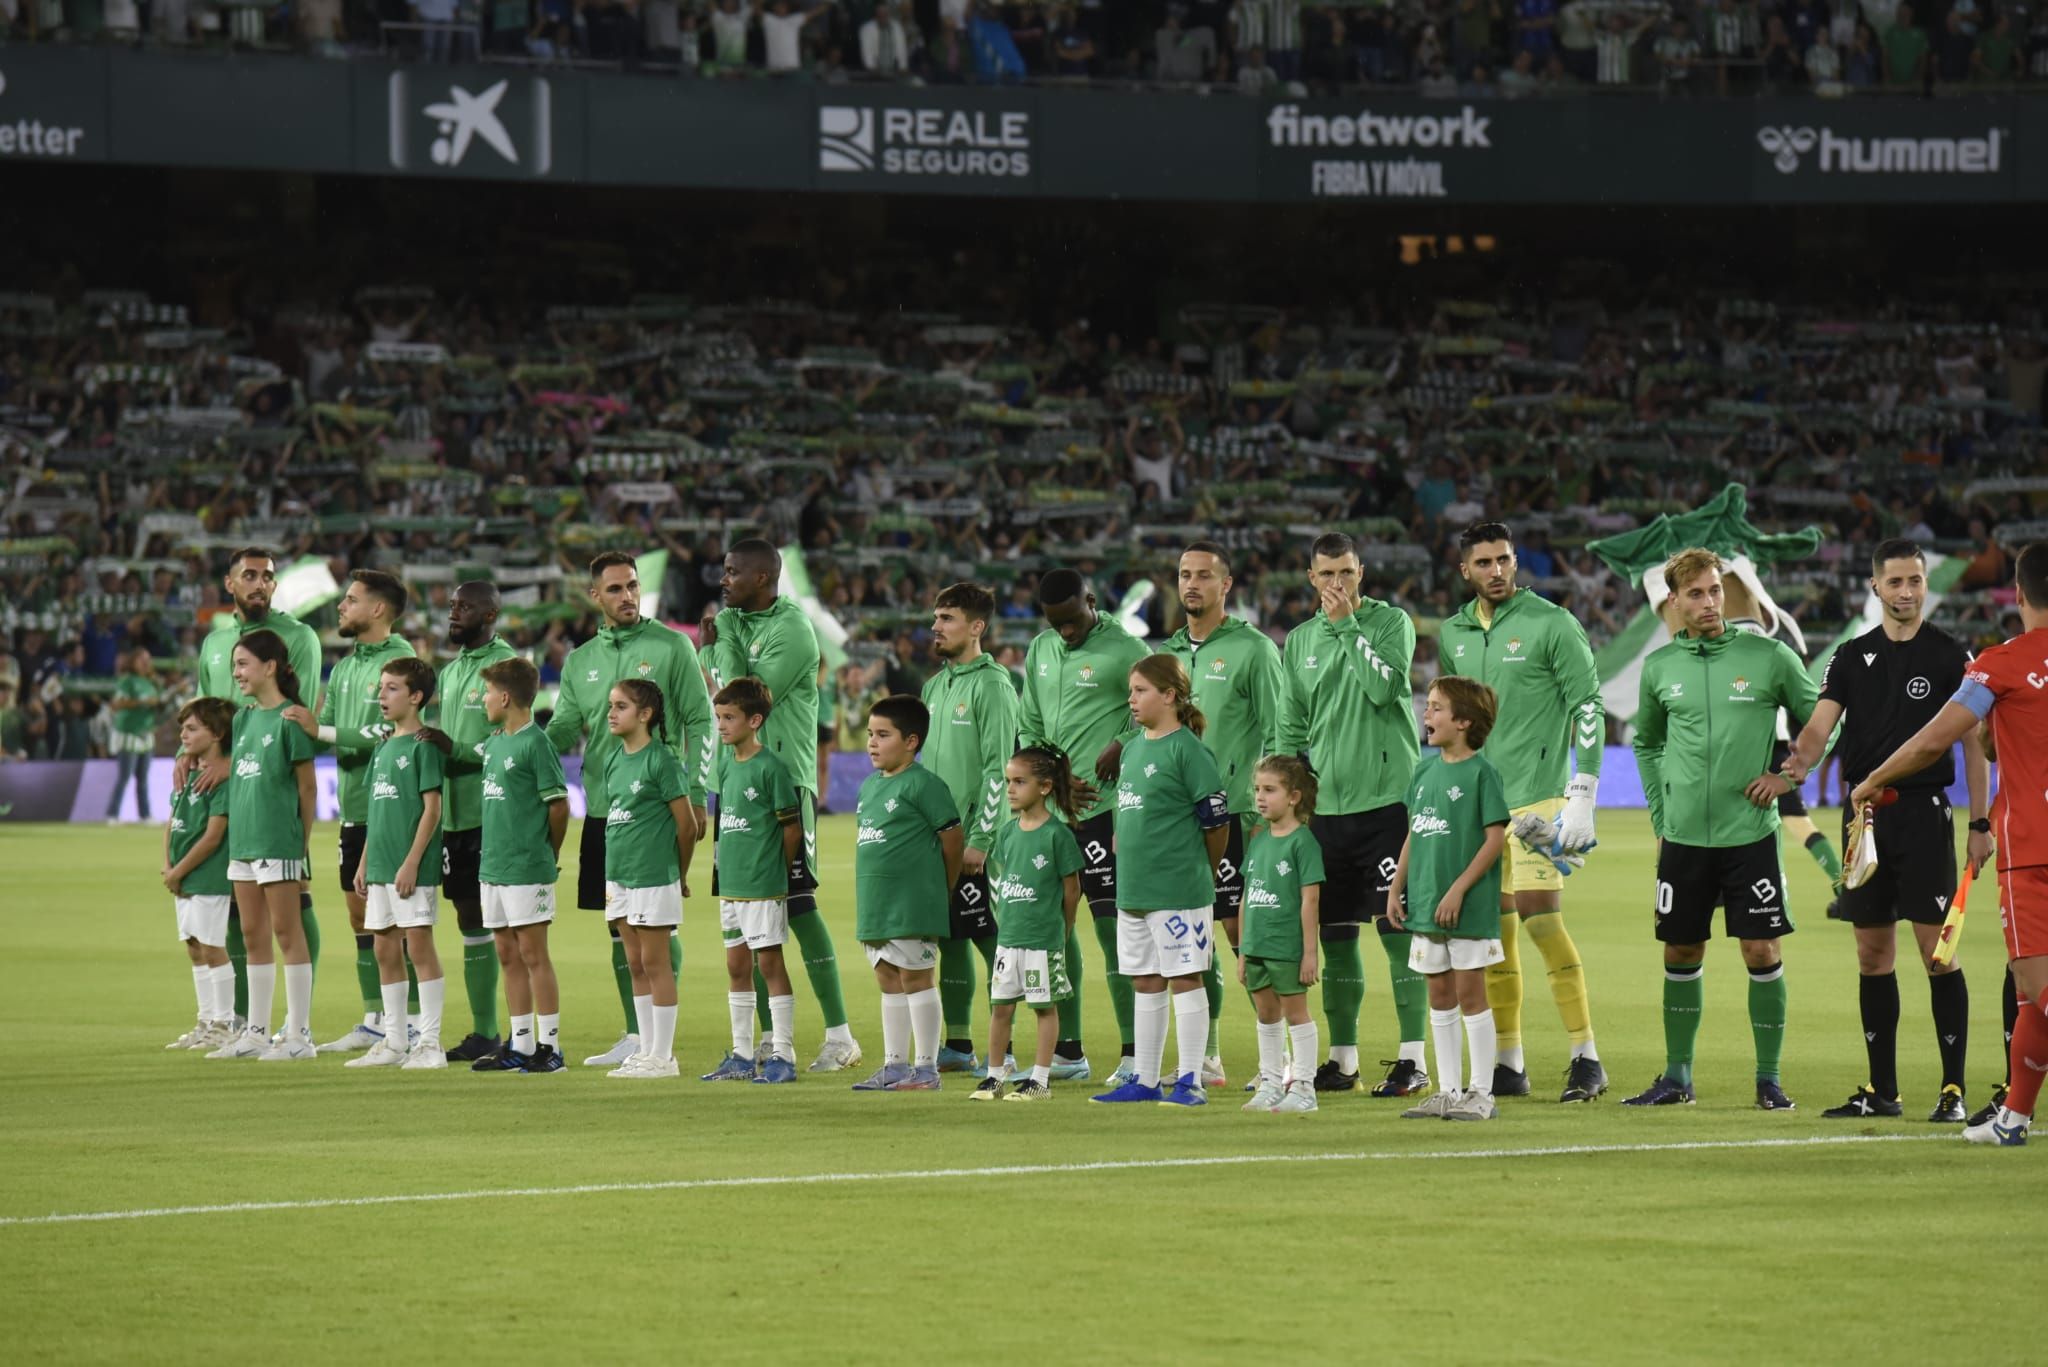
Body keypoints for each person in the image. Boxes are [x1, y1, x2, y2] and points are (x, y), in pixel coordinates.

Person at [1781, 539, 1990, 1123]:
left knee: (1937, 954)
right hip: (1863, 819)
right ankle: (1883, 1091)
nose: (1905, 592)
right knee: (1872, 955)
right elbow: (1820, 728)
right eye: (1894, 582)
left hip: (1924, 815)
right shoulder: (1849, 656)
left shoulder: (1952, 655)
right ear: (1874, 587)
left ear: (1926, 585)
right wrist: (1796, 763)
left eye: (1915, 581)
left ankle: (1953, 1092)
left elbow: (1973, 746)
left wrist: (1979, 821)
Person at [1850, 542, 2048, 1147]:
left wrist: (1874, 780)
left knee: (2036, 991)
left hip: (2032, 852)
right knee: (2029, 998)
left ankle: (2009, 1115)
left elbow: (1934, 741)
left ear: (2016, 596)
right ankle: (2013, 1117)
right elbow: (1991, 747)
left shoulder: (2000, 664)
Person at [1628, 548, 1819, 1109]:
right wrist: (1662, 817)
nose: (1710, 602)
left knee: (1760, 951)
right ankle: (1677, 1078)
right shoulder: (1660, 668)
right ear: (1675, 603)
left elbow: (1823, 718)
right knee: (1681, 951)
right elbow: (1646, 743)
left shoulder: (1769, 656)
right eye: (1696, 594)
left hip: (1751, 835)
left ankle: (1769, 1079)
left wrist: (1790, 775)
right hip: (1684, 840)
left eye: (1715, 591)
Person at [1438, 522, 1608, 1102]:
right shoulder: (1454, 634)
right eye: (1483, 563)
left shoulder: (1553, 624)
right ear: (1466, 570)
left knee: (1541, 918)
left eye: (1504, 560)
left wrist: (1582, 791)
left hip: (1538, 798)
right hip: (1479, 805)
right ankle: (1509, 1063)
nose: (1496, 571)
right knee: (1495, 935)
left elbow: (1588, 705)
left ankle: (1586, 1056)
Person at [1275, 531, 1427, 1097]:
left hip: (1389, 805)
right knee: (1335, 938)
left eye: (1345, 572)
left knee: (1397, 931)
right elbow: (1291, 727)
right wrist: (1285, 800)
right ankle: (1342, 1060)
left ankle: (1413, 1059)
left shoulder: (1391, 624)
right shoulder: (1297, 642)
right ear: (1310, 579)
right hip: (1327, 813)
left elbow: (1385, 689)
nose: (1336, 583)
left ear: (1360, 572)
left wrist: (1345, 626)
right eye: (1325, 574)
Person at [700, 538, 860, 1073]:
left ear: (762, 579)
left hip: (784, 784)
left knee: (799, 905)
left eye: (731, 573)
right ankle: (768, 1042)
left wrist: (714, 645)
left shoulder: (790, 629)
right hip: (737, 783)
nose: (723, 581)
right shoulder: (739, 624)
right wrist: (718, 643)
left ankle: (840, 1036)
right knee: (747, 914)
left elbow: (745, 698)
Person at [548, 551, 711, 1070]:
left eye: (633, 586)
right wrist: (518, 752)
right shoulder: (580, 660)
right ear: (595, 596)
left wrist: (699, 791)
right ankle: (636, 1035)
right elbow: (562, 730)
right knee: (619, 926)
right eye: (615, 589)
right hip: (603, 805)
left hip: (657, 805)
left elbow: (700, 721)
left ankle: (659, 1040)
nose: (627, 597)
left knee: (657, 929)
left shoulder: (671, 646)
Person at [1016, 567, 1148, 1083]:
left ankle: (1136, 1053)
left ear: (1091, 600)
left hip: (1108, 812)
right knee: (1055, 930)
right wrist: (1055, 771)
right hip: (1056, 813)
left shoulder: (1127, 649)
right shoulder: (1040, 650)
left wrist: (1121, 741)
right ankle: (1068, 1052)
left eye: (1072, 620)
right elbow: (1029, 723)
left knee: (1116, 932)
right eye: (1056, 623)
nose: (1065, 631)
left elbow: (1159, 711)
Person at [1164, 540, 1285, 1088]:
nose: (1192, 584)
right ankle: (1207, 1056)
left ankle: (1279, 1061)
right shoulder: (1167, 654)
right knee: (1192, 939)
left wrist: (1270, 810)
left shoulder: (1254, 650)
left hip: (1237, 817)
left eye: (1204, 575)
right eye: (1185, 574)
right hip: (1177, 824)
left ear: (1226, 585)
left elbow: (1281, 731)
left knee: (1249, 939)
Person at [191, 546, 325, 1031]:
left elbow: (301, 712)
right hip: (219, 780)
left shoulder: (299, 637)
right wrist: (192, 752)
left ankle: (297, 1021)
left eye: (267, 576)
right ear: (229, 584)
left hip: (268, 775)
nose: (260, 583)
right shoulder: (214, 643)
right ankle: (240, 1019)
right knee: (231, 903)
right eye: (249, 575)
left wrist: (240, 757)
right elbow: (204, 709)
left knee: (294, 898)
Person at [288, 570, 419, 1056]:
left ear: (378, 610)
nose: (341, 607)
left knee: (403, 921)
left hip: (393, 808)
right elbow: (320, 727)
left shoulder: (401, 661)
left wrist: (319, 732)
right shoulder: (344, 668)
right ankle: (374, 1018)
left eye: (351, 600)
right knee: (359, 914)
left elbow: (387, 733)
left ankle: (411, 1023)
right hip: (354, 808)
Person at [1091, 655, 1230, 1108]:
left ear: (1169, 695)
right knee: (1146, 981)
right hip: (1134, 889)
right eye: (1130, 691)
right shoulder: (1132, 748)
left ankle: (1190, 1080)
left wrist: (1201, 873)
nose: (1131, 699)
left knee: (1186, 978)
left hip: (1178, 889)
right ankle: (1146, 1079)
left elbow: (1216, 824)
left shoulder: (1188, 750)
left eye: (1140, 690)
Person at [1388, 678, 1510, 1122]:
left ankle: (1482, 1093)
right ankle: (1447, 1090)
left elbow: (1495, 838)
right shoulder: (1423, 770)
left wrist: (1458, 888)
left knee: (1470, 993)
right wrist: (1396, 885)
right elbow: (1414, 832)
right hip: (1424, 901)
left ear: (1463, 722)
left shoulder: (1483, 774)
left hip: (1468, 906)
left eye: (1437, 708)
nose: (1427, 714)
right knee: (1439, 994)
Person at [918, 582, 1019, 1073]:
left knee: (994, 939)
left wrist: (981, 837)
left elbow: (1000, 767)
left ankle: (1010, 1049)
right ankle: (958, 1043)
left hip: (981, 842)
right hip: (938, 838)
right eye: (936, 617)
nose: (936, 626)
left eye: (947, 618)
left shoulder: (994, 684)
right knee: (952, 937)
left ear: (976, 627)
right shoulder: (935, 686)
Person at [207, 631, 319, 1061]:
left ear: (270, 667)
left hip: (279, 842)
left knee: (287, 933)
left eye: (242, 664)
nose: (235, 673)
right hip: (245, 843)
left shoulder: (292, 719)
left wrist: (301, 845)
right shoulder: (243, 720)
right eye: (234, 665)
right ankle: (256, 1031)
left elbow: (308, 790)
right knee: (253, 934)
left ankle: (299, 1037)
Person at [848, 696, 963, 1092]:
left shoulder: (924, 784)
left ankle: (926, 1069)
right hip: (876, 901)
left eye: (883, 735)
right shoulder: (868, 787)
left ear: (911, 741)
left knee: (917, 978)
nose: (872, 743)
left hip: (913, 901)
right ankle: (895, 1065)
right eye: (870, 735)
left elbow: (952, 840)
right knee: (887, 977)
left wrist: (941, 887)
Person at [345, 658, 451, 1071]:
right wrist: (365, 863)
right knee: (385, 949)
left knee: (419, 948)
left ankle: (430, 1044)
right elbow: (377, 811)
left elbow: (432, 810)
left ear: (416, 696)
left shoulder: (423, 747)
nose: (381, 695)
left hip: (411, 869)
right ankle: (394, 1041)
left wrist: (410, 863)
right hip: (380, 867)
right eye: (381, 687)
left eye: (391, 688)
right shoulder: (384, 747)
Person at [701, 678, 804, 1084]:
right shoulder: (726, 764)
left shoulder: (771, 768)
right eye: (718, 718)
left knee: (770, 964)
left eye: (729, 718)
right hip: (731, 885)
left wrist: (775, 868)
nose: (722, 725)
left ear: (755, 720)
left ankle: (783, 1053)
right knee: (736, 964)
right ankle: (742, 1054)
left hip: (762, 885)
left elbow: (790, 828)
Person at [434, 581, 520, 1061]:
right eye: (451, 606)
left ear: (489, 614)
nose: (453, 613)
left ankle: (525, 1034)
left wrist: (457, 751)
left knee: (508, 924)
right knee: (470, 919)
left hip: (493, 813)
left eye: (464, 607)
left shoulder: (507, 668)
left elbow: (510, 736)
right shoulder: (449, 674)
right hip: (456, 817)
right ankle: (485, 1032)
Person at [969, 747, 1085, 1102]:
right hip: (1010, 938)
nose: (1010, 789)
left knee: (1043, 1006)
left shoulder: (1058, 835)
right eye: (1008, 782)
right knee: (1001, 1006)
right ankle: (993, 1076)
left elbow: (1071, 890)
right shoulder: (1006, 834)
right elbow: (1005, 879)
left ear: (1046, 787)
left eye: (1020, 782)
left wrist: (1062, 930)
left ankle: (1040, 1079)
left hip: (1042, 940)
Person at [474, 657, 572, 1074]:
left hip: (527, 866)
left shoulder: (536, 743)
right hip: (492, 866)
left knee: (534, 954)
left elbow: (559, 806)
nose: (483, 699)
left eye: (488, 692)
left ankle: (550, 1048)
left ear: (506, 696)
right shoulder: (495, 743)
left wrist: (546, 854)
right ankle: (521, 1043)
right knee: (506, 953)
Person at [600, 679, 698, 1080]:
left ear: (646, 715)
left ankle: (664, 1056)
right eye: (611, 705)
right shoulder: (613, 759)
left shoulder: (662, 761)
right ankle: (645, 1049)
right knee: (635, 962)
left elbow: (687, 826)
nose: (611, 713)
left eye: (621, 706)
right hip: (618, 875)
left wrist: (680, 873)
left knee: (656, 963)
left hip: (653, 874)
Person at [1238, 756, 1325, 1115]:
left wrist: (1309, 953)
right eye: (1258, 789)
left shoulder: (1303, 843)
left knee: (1296, 1013)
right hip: (1257, 944)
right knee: (1266, 1014)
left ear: (1293, 796)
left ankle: (1304, 1087)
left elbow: (1310, 899)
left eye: (1270, 790)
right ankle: (1272, 1082)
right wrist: (1243, 950)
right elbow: (1246, 897)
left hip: (1286, 946)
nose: (1260, 797)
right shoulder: (1258, 841)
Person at [161, 697, 236, 1051]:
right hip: (183, 875)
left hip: (207, 874)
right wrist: (168, 865)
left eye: (192, 729)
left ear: (218, 733)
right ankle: (205, 1021)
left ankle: (224, 1022)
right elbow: (172, 821)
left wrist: (178, 871)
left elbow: (213, 836)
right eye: (182, 728)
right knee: (194, 947)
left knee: (211, 946)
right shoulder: (187, 771)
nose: (183, 735)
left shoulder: (220, 779)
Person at [106, 646, 163, 823]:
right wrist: (142, 702)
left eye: (148, 660)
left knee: (143, 779)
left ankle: (145, 815)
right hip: (129, 733)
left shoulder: (151, 682)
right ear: (133, 662)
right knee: (124, 776)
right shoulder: (127, 681)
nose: (146, 663)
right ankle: (112, 814)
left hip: (146, 733)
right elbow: (116, 704)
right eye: (142, 659)